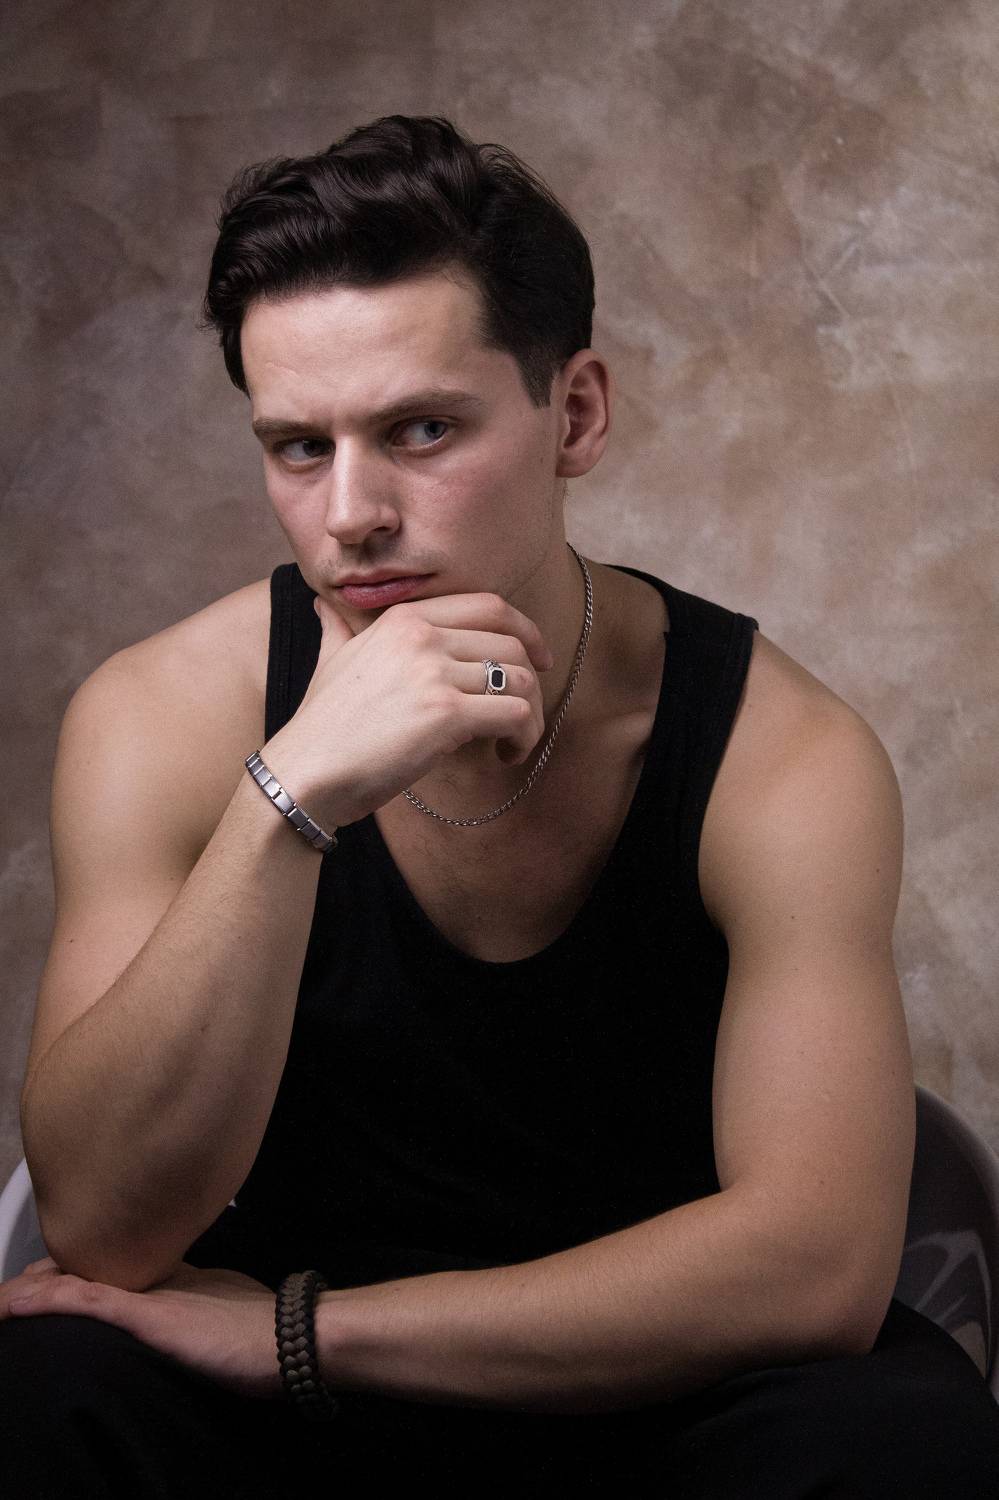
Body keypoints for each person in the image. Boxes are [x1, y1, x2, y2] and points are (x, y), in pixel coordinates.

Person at [1, 112, 997, 1496]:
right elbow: (104, 1229)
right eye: (299, 447)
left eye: (420, 430)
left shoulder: (782, 754)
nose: (352, 514)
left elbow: (815, 1268)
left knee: (901, 1444)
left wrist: (302, 1336)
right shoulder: (161, 715)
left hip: (659, 1393)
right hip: (290, 1444)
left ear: (573, 414)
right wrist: (292, 796)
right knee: (44, 1387)